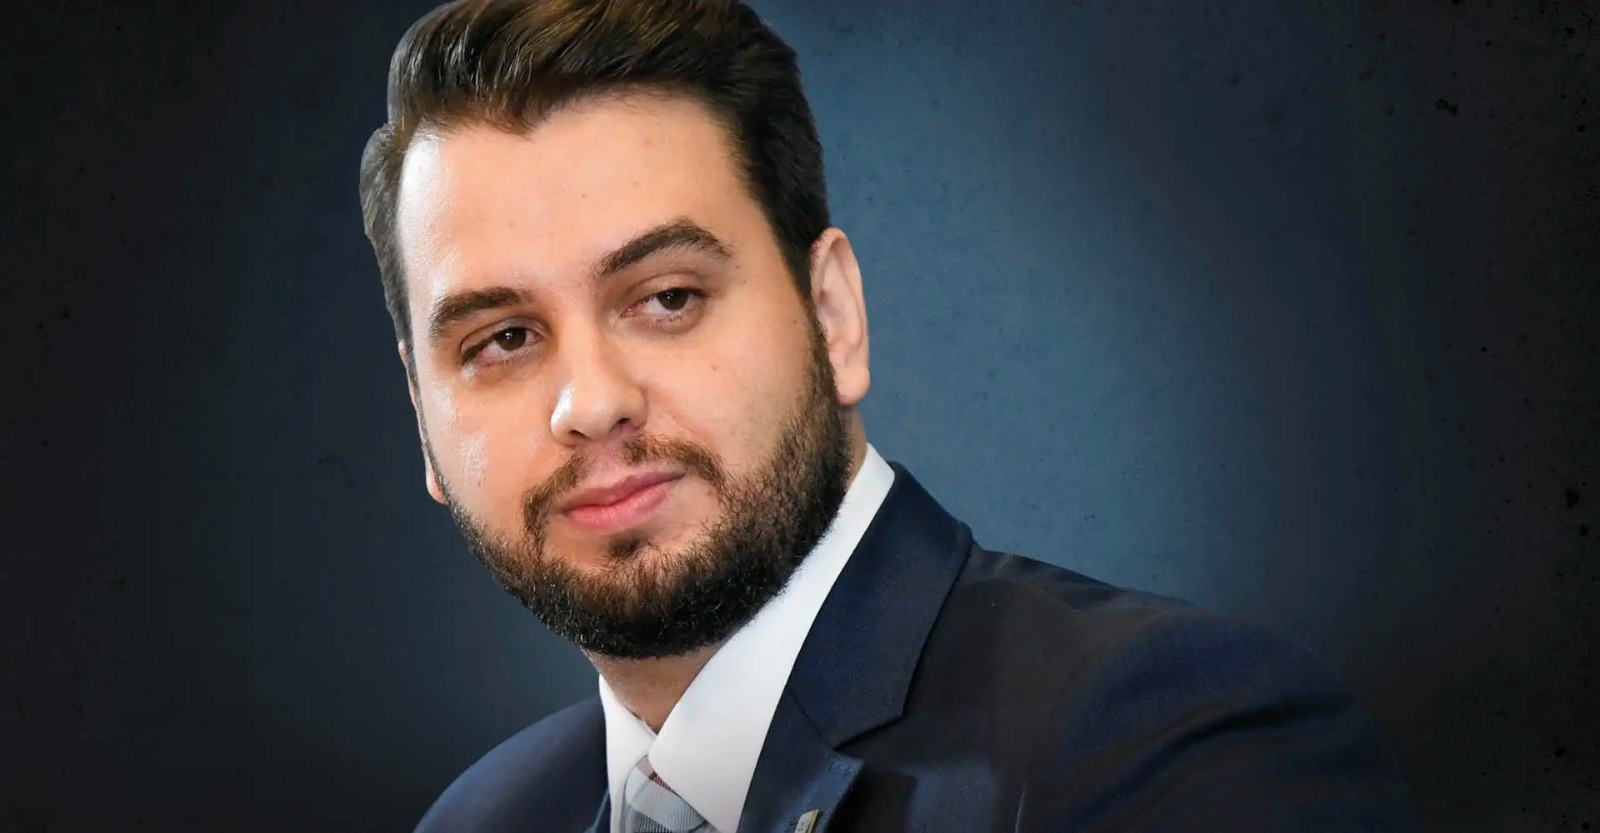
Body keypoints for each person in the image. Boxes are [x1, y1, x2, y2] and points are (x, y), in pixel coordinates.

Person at [356, 1, 1416, 830]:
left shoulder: (1170, 747)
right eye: (502, 338)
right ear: (422, 419)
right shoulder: (479, 819)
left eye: (667, 297)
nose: (591, 402)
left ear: (833, 317)